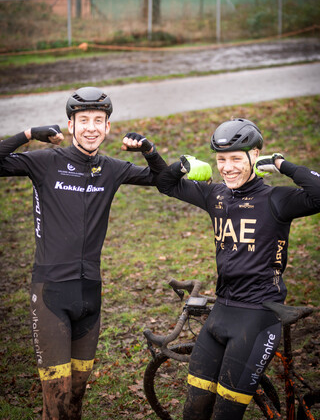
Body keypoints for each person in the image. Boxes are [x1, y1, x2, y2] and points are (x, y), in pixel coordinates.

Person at [0, 86, 167, 420]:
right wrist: (29, 134)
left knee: (76, 398)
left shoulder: (112, 168)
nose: (91, 127)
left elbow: (164, 181)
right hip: (51, 293)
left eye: (98, 120)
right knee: (57, 403)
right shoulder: (45, 162)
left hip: (90, 292)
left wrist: (149, 150)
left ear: (107, 127)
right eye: (83, 120)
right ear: (70, 125)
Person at [155, 118, 320, 420]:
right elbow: (165, 184)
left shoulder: (277, 199)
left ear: (255, 155)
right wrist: (182, 165)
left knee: (225, 416)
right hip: (222, 311)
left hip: (257, 316)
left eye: (235, 159)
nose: (227, 167)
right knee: (194, 411)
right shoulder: (215, 194)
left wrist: (282, 164)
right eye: (221, 160)